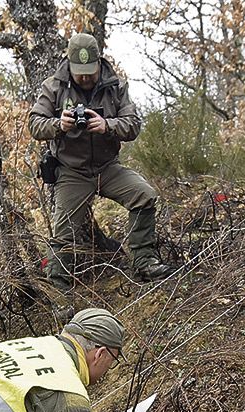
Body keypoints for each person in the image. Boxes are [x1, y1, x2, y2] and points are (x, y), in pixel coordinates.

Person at [29, 33, 173, 292]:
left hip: (108, 167)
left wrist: (108, 125)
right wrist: (58, 125)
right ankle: (59, 292)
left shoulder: (115, 86)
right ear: (69, 65)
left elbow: (133, 125)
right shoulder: (54, 87)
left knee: (144, 195)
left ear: (99, 62)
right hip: (72, 171)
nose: (85, 77)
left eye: (90, 72)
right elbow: (34, 124)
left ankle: (144, 261)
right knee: (63, 234)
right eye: (79, 72)